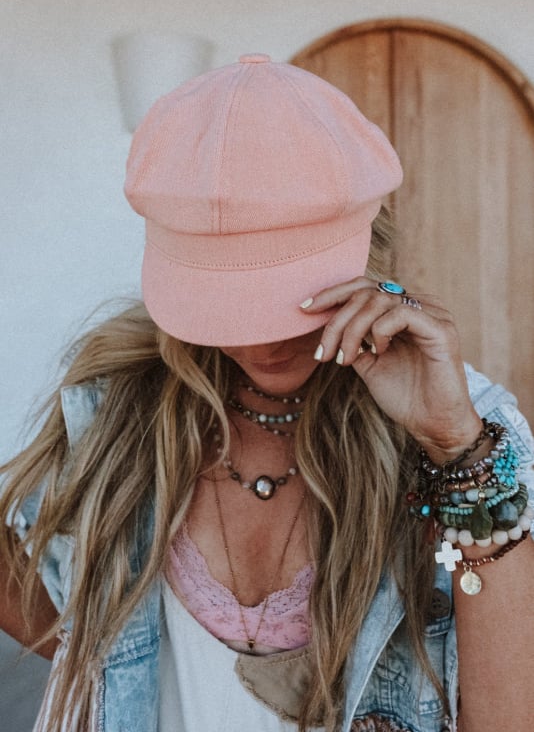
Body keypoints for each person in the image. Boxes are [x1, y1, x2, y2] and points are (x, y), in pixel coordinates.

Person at [1, 53, 533, 732]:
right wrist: (103, 667)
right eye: (226, 304)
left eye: (289, 295)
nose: (262, 340)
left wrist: (456, 451)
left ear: (368, 246)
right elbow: (67, 629)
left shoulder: (474, 428)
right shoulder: (116, 406)